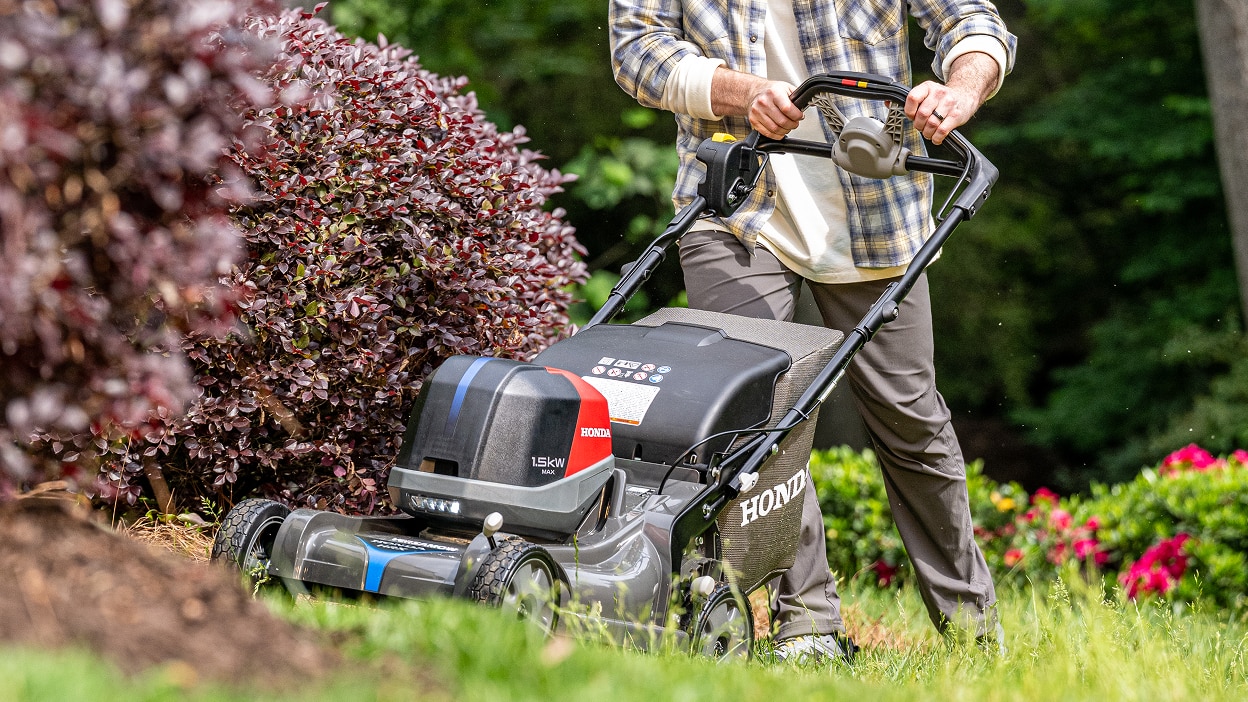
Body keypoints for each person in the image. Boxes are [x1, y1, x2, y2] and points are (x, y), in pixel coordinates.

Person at [609, 0, 1017, 662]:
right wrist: (738, 91)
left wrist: (960, 87)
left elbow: (970, 20)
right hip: (735, 197)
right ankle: (808, 625)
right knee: (759, 416)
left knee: (909, 417)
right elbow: (636, 49)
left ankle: (972, 625)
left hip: (877, 199)